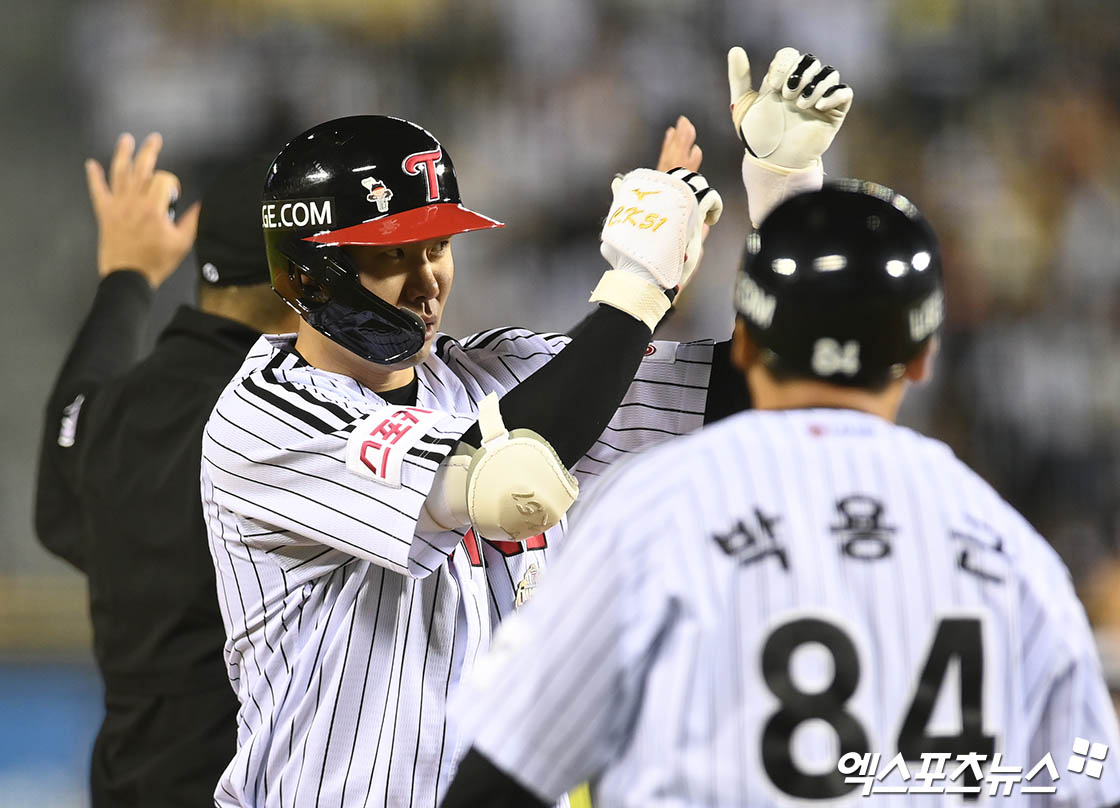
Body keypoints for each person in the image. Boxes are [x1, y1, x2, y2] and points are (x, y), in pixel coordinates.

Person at [202, 47, 852, 808]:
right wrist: (639, 282)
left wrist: (786, 200)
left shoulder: (492, 373)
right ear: (313, 269)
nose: (429, 279)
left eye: (438, 246)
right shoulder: (263, 418)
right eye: (393, 255)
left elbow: (767, 388)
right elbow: (513, 479)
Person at [441, 180, 1120, 808]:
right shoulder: (1010, 548)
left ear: (746, 347)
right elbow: (1090, 779)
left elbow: (500, 776)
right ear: (921, 357)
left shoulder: (655, 511)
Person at [34, 133, 296, 807]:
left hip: (127, 781)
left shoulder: (119, 410)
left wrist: (126, 276)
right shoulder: (294, 427)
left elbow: (70, 436)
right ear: (306, 281)